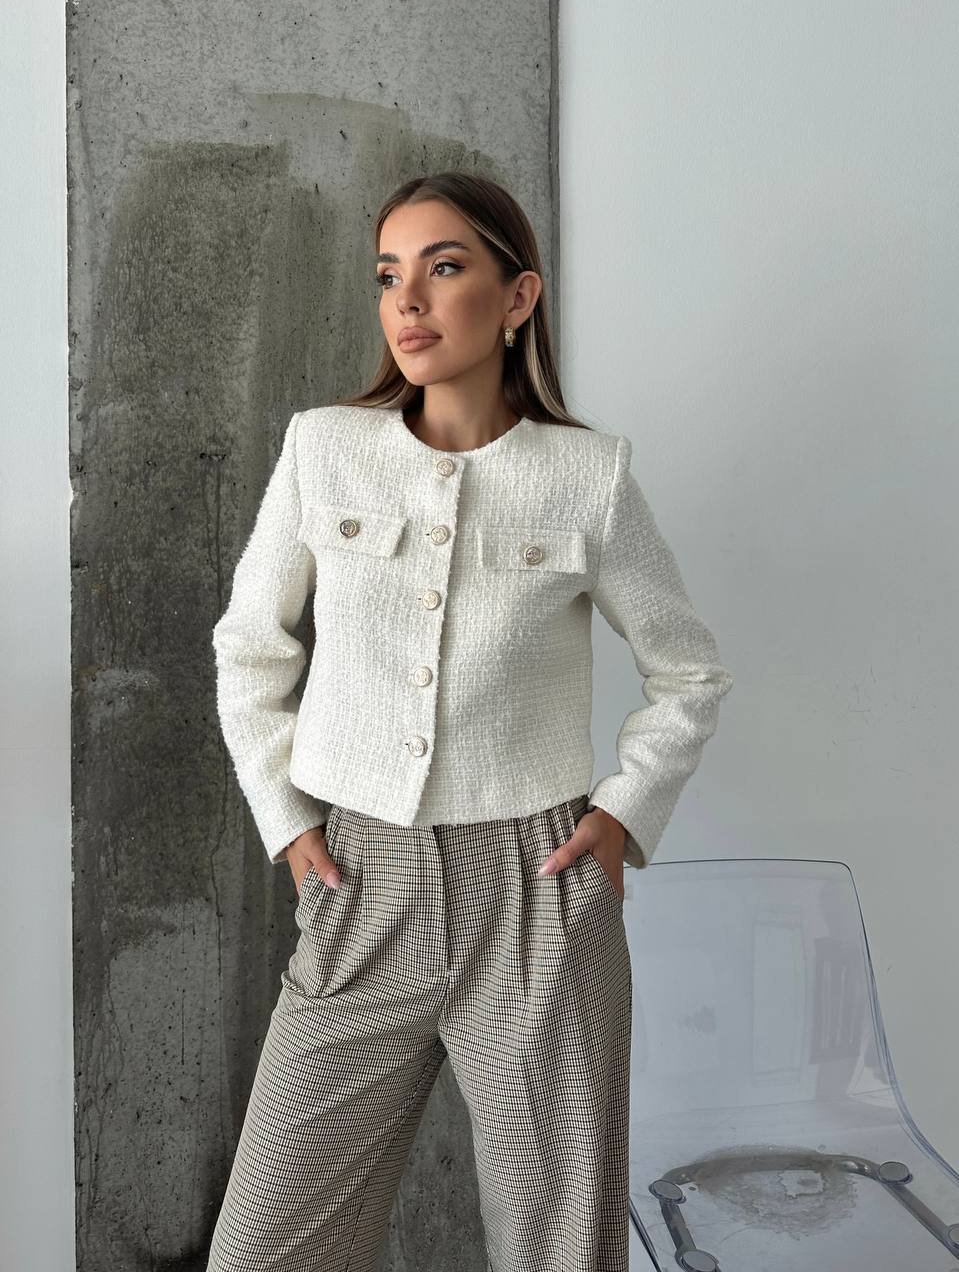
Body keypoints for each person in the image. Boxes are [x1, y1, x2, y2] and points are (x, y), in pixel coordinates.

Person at [206, 171, 733, 1272]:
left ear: (516, 296)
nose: (407, 301)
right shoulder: (323, 449)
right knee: (264, 1248)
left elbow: (687, 670)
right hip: (360, 880)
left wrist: (622, 815)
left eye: (443, 268)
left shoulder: (586, 476)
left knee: (558, 1249)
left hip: (538, 892)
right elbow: (250, 647)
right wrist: (289, 820)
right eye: (388, 275)